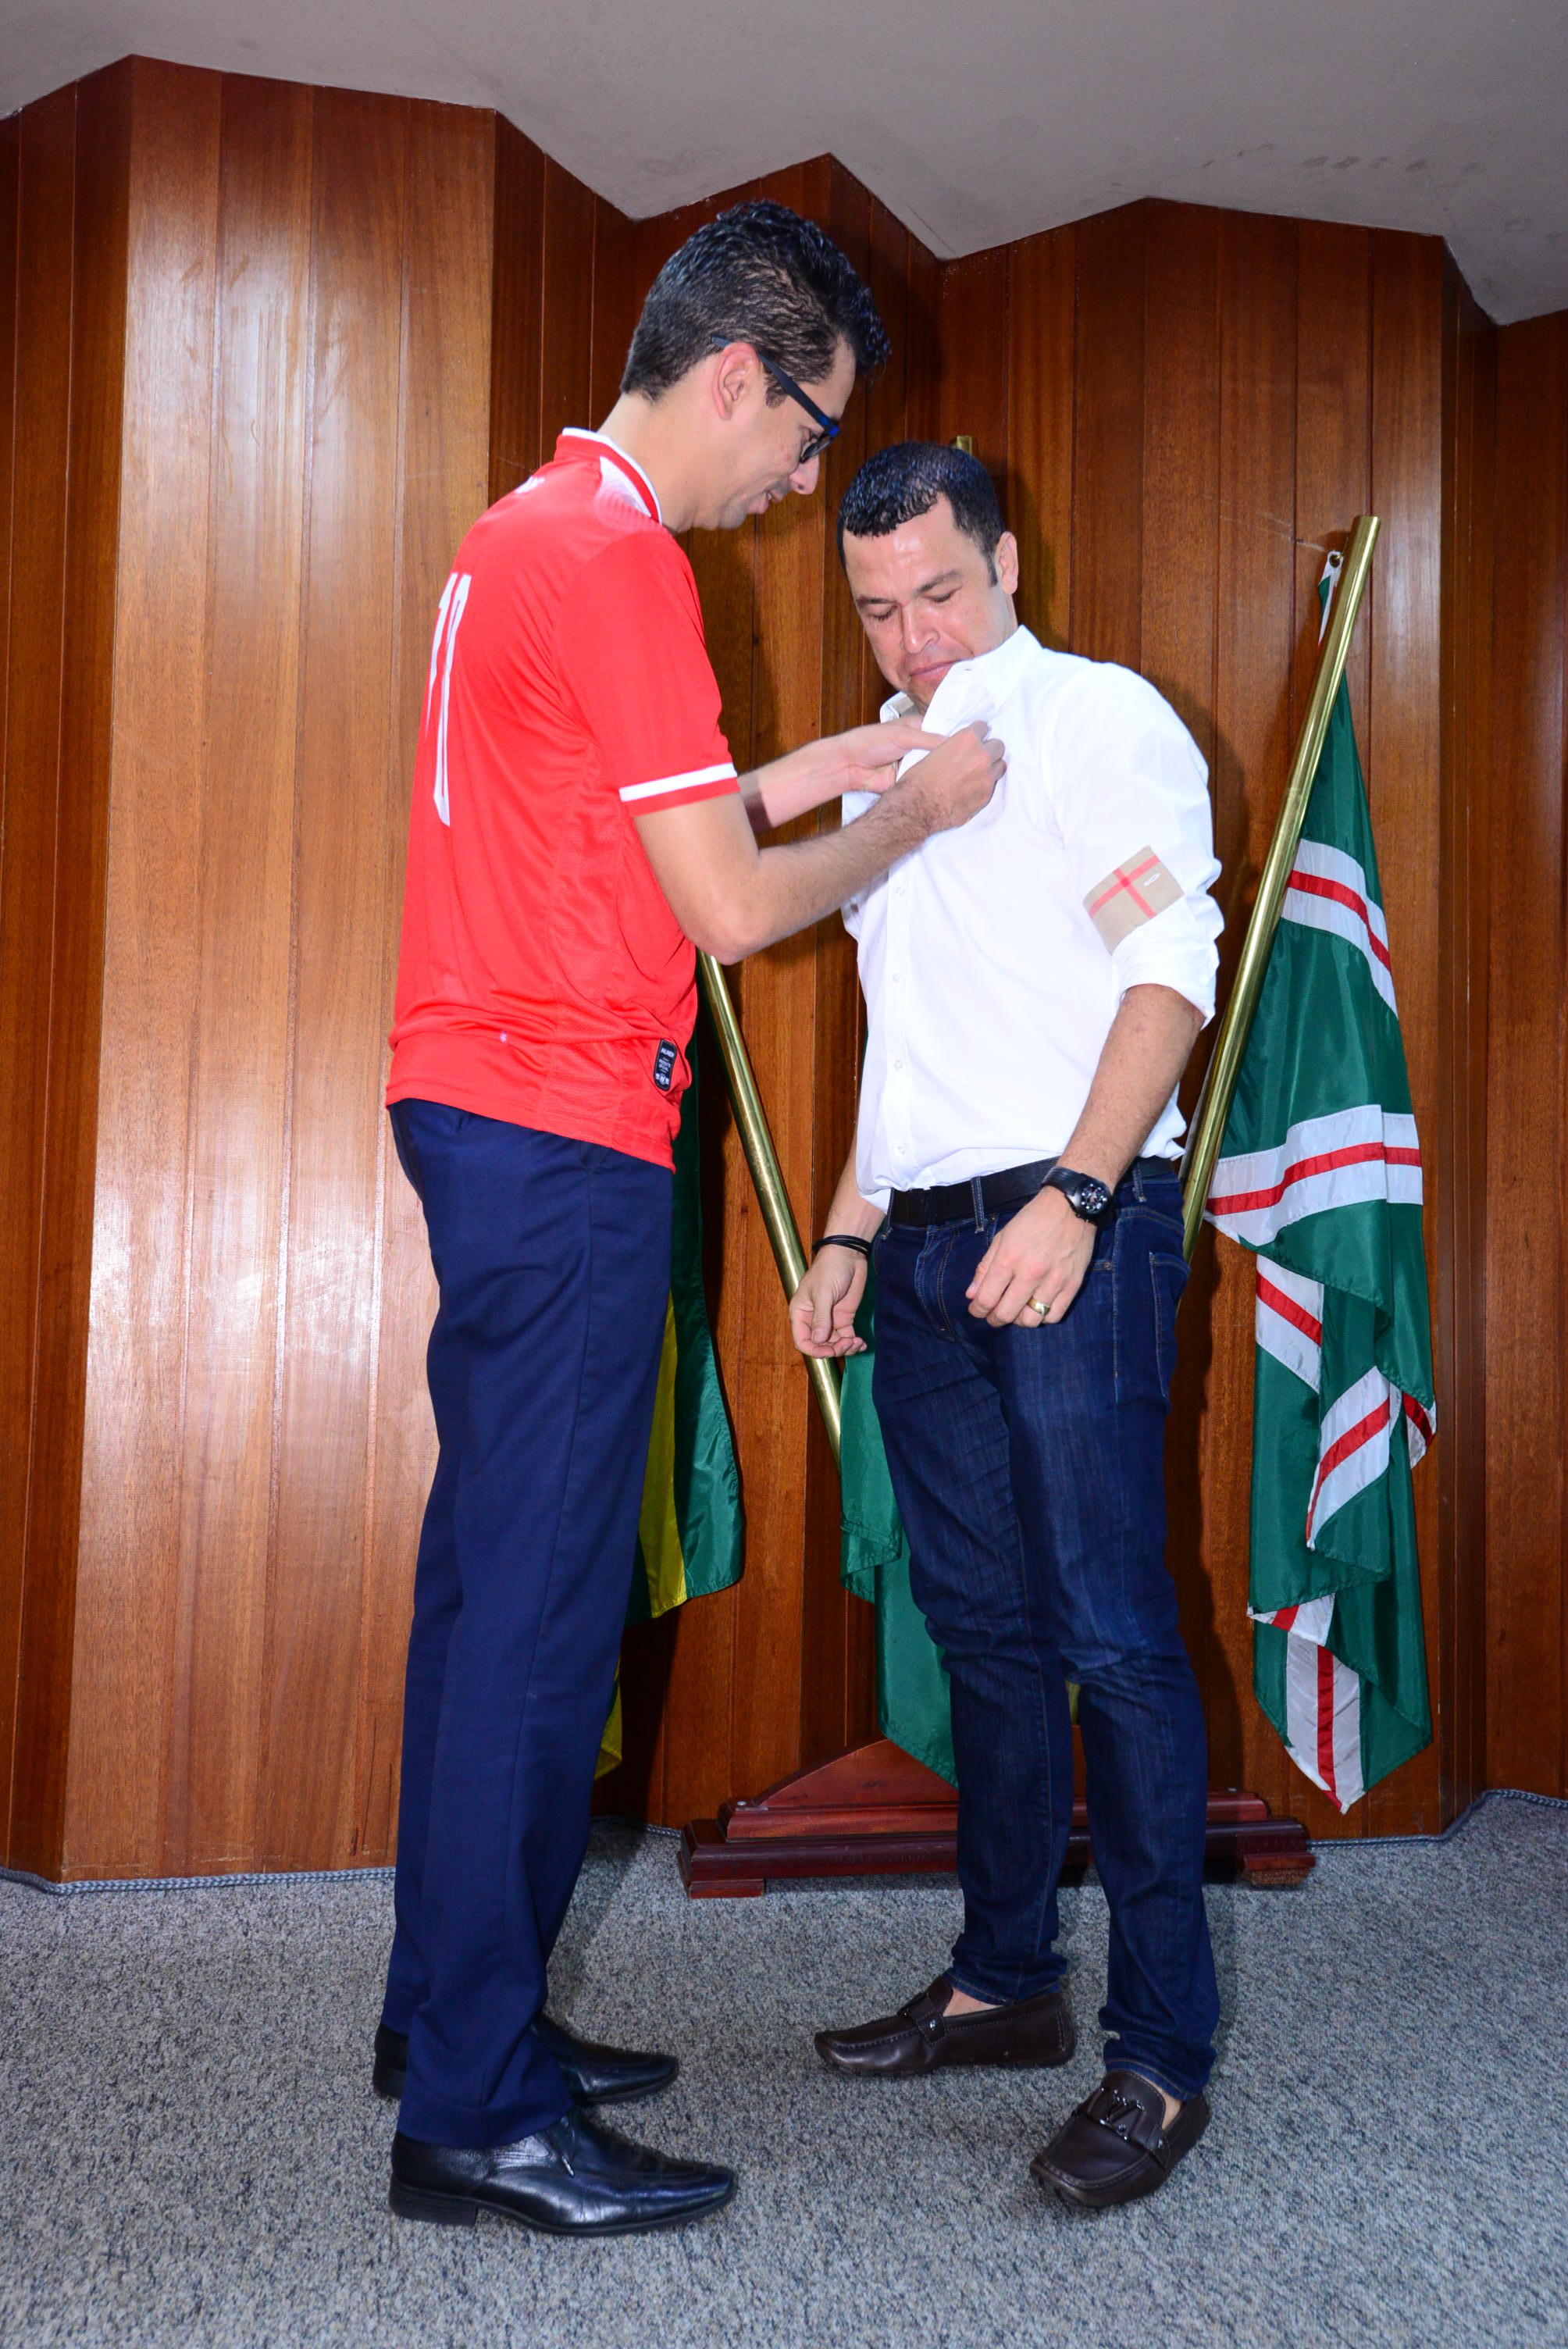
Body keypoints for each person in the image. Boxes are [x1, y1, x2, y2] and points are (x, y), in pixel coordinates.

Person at [377, 217, 1003, 2239]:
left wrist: (805, 770)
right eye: (810, 433)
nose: (804, 481)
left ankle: (443, 2017)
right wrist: (908, 814)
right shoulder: (627, 558)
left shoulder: (526, 530)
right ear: (740, 374)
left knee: (481, 1600)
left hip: (476, 1094)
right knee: (539, 1627)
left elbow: (626, 824)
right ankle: (475, 2114)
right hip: (560, 1121)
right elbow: (724, 912)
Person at [789, 441, 1223, 2211]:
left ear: (1008, 563)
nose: (914, 639)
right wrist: (849, 1221)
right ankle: (1004, 1982)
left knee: (1110, 1635)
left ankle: (1162, 2056)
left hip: (1069, 1230)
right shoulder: (887, 778)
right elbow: (906, 1036)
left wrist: (1078, 1196)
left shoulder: (1092, 719)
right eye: (879, 609)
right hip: (920, 1254)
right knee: (979, 1629)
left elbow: (1167, 967)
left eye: (941, 593)